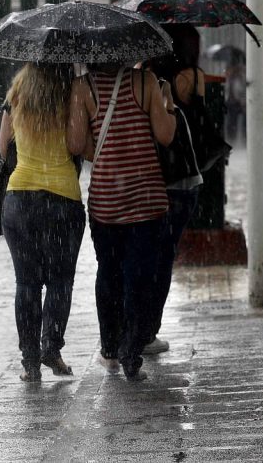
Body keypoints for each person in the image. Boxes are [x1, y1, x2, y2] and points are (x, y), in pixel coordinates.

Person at [69, 62, 176, 382]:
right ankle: (132, 350)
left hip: (106, 201)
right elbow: (166, 135)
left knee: (109, 272)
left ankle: (111, 348)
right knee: (140, 275)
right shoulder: (145, 82)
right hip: (146, 197)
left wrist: (104, 152)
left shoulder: (82, 87)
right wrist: (166, 102)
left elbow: (75, 144)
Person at [0, 63, 86, 382]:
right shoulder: (72, 91)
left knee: (26, 282)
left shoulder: (18, 91)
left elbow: (2, 145)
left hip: (19, 199)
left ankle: (30, 361)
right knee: (60, 281)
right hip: (61, 199)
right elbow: (77, 145)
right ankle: (52, 347)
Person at [143, 25, 206, 356]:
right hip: (184, 178)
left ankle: (140, 326)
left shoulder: (148, 78)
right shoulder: (193, 77)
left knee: (148, 255)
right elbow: (199, 120)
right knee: (164, 257)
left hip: (152, 177)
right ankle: (150, 327)